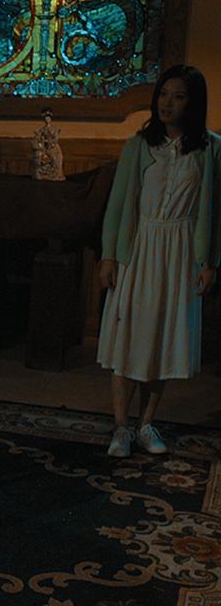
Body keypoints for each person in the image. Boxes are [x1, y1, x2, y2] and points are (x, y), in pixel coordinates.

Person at [97, 64, 220, 458]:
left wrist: (209, 262)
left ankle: (146, 423)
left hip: (180, 251)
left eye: (178, 96)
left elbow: (215, 212)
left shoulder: (210, 149)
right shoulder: (139, 145)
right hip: (139, 247)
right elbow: (118, 204)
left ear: (193, 102)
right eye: (163, 94)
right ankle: (121, 427)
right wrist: (109, 255)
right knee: (129, 337)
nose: (168, 103)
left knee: (162, 340)